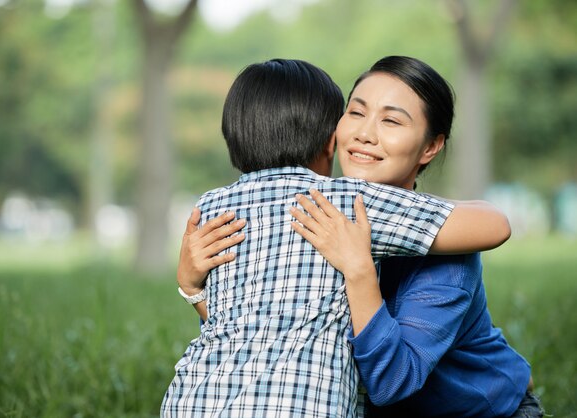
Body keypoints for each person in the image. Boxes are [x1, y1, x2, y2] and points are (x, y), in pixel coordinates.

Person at [161, 58, 511, 417]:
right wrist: (193, 289)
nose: (365, 134)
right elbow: (257, 329)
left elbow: (392, 383)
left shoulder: (449, 255)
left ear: (430, 147)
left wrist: (360, 269)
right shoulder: (313, 211)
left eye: (391, 120)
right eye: (356, 113)